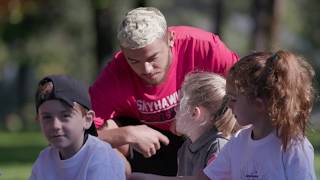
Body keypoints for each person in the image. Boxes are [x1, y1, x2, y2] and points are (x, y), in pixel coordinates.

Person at [89, 7, 239, 175]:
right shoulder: (115, 73)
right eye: (134, 61)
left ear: (170, 39)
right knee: (108, 130)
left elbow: (247, 91)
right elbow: (78, 132)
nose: (146, 69)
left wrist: (228, 129)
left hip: (207, 135)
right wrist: (126, 134)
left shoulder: (204, 47)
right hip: (153, 146)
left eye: (153, 58)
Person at [128, 50, 317, 180]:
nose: (229, 105)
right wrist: (139, 177)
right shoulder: (238, 142)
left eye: (233, 98)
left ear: (258, 103)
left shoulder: (292, 146)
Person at [29, 75, 127, 180]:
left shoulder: (100, 158)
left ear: (87, 119)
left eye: (65, 116)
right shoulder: (45, 159)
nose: (55, 125)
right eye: (47, 117)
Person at [175, 72, 239, 176]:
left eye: (179, 105)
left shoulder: (219, 149)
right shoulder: (186, 147)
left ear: (194, 113)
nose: (175, 110)